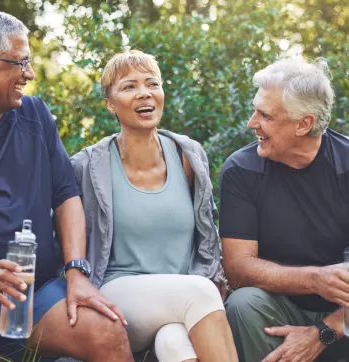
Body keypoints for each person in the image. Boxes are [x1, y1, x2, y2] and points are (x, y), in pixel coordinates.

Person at [71, 49, 239, 362]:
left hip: (180, 300)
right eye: (129, 86)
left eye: (152, 84)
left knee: (175, 343)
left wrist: (215, 274)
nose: (144, 93)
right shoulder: (87, 167)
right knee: (200, 292)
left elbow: (206, 231)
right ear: (110, 103)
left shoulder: (188, 156)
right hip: (117, 295)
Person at [0, 11, 133, 362]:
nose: (30, 74)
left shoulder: (35, 115)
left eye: (30, 63)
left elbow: (66, 196)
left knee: (106, 331)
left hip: (34, 295)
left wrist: (76, 272)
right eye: (19, 64)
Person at [219, 57, 349, 362]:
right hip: (279, 308)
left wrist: (323, 332)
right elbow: (237, 269)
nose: (252, 123)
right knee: (243, 303)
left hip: (342, 315)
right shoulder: (241, 170)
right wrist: (316, 278)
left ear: (303, 124)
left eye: (265, 115)